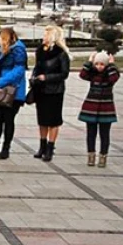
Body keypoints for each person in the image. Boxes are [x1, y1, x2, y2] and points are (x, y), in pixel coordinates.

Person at [0, 27, 28, 160]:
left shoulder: (18, 49)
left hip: (13, 91)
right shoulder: (3, 50)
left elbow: (19, 70)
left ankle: (5, 148)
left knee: (8, 120)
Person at [31, 25, 71, 162]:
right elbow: (37, 67)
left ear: (52, 37)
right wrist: (34, 77)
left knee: (53, 120)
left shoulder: (61, 53)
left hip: (55, 91)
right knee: (42, 119)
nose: (43, 37)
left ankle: (50, 147)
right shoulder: (40, 51)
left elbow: (64, 74)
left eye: (46, 35)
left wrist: (47, 78)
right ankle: (42, 146)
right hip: (41, 89)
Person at [79, 51, 120, 168]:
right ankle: (91, 156)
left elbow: (114, 78)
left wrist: (112, 65)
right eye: (97, 64)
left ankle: (103, 156)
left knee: (104, 134)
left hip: (106, 108)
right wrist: (89, 61)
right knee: (91, 134)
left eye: (102, 64)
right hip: (91, 107)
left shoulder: (110, 74)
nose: (99, 67)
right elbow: (82, 74)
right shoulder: (92, 74)